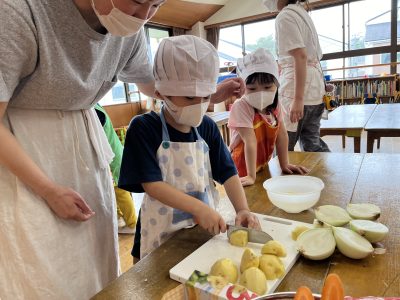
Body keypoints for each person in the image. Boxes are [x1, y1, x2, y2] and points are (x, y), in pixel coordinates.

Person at [0, 0, 244, 298]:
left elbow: (160, 84)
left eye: (156, 5)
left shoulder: (130, 32)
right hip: (25, 155)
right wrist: (48, 189)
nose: (143, 17)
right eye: (137, 2)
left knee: (97, 268)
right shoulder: (19, 11)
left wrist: (203, 96)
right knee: (43, 275)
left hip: (86, 149)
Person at [118, 35, 261, 260]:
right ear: (160, 93)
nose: (199, 105)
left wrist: (242, 209)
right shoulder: (144, 128)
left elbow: (228, 173)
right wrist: (198, 208)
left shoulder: (207, 127)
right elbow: (152, 185)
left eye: (205, 97)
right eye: (189, 97)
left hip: (201, 232)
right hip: (158, 235)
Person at [228, 48, 308, 187]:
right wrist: (251, 176)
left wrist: (285, 164)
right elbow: (250, 141)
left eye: (267, 87)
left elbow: (282, 135)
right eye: (252, 89)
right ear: (243, 87)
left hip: (262, 165)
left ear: (277, 85)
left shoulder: (276, 106)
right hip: (241, 170)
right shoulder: (241, 107)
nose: (260, 93)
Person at [263, 0, 330, 152]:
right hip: (314, 90)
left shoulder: (285, 16)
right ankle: (324, 175)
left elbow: (300, 56)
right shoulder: (302, 13)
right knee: (312, 145)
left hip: (296, 90)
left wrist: (298, 99)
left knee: (284, 148)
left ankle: (284, 176)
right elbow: (310, 56)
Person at [95, 104, 137, 234]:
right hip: (113, 154)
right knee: (115, 191)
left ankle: (132, 223)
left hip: (112, 157)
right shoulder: (96, 106)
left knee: (121, 191)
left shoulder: (95, 111)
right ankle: (121, 218)